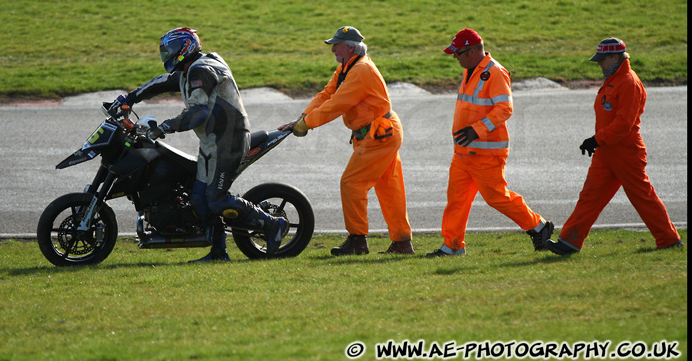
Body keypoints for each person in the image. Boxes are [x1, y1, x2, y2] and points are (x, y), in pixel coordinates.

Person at [110, 27, 288, 262]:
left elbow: (198, 114)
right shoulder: (191, 68)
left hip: (228, 141)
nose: (166, 57)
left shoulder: (202, 71)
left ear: (184, 49)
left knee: (215, 198)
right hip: (212, 141)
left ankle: (274, 224)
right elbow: (162, 82)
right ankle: (218, 253)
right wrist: (129, 98)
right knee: (198, 199)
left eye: (169, 51)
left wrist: (163, 127)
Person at [278, 26, 414, 255]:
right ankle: (402, 243)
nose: (333, 49)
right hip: (377, 134)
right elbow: (326, 95)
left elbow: (337, 104)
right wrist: (302, 117)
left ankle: (358, 241)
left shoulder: (361, 70)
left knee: (351, 184)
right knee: (389, 189)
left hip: (379, 135)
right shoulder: (346, 67)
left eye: (336, 45)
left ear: (350, 47)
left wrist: (306, 124)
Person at [546, 38, 683, 255]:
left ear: (616, 58)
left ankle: (669, 239)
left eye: (603, 60)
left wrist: (595, 140)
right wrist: (598, 142)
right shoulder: (613, 79)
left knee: (642, 197)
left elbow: (623, 125)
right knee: (589, 195)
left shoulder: (629, 83)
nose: (599, 64)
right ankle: (569, 242)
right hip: (606, 152)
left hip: (626, 152)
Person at [426, 28, 554, 257]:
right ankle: (452, 246)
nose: (455, 57)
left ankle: (538, 226)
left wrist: (477, 130)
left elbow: (505, 108)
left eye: (458, 53)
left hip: (486, 153)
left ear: (474, 51)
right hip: (464, 152)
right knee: (456, 200)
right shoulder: (470, 69)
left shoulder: (495, 72)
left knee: (496, 197)